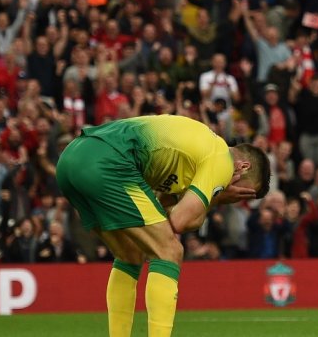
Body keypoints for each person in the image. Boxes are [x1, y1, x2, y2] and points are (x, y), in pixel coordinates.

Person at [56, 114, 270, 337]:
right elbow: (179, 222)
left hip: (72, 159)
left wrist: (193, 200)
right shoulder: (222, 160)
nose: (234, 198)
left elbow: (160, 211)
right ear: (243, 167)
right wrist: (215, 197)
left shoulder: (194, 153)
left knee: (130, 252)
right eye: (241, 194)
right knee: (170, 251)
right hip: (108, 162)